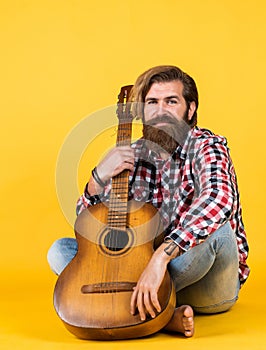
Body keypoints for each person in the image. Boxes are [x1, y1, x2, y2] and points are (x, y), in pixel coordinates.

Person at [48, 65, 250, 337]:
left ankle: (122, 307)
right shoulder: (130, 155)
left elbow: (218, 198)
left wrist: (160, 258)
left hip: (203, 281)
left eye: (171, 101)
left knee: (217, 231)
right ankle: (163, 316)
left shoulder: (206, 145)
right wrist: (98, 178)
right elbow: (94, 232)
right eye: (152, 102)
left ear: (190, 110)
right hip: (143, 277)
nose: (161, 110)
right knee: (61, 251)